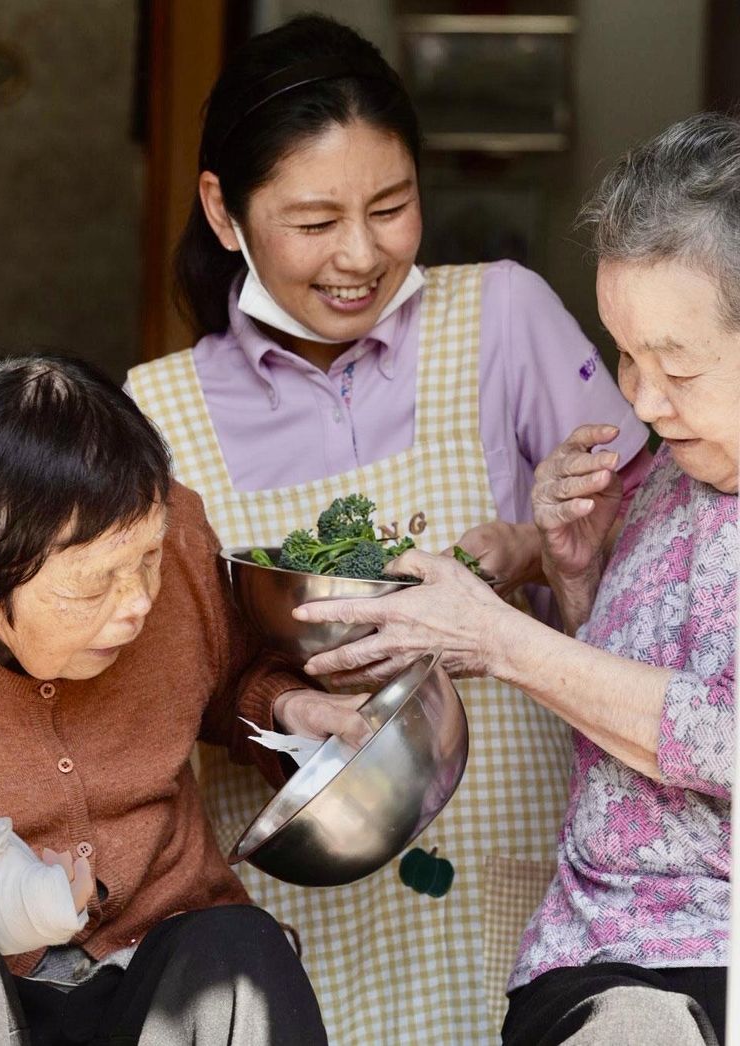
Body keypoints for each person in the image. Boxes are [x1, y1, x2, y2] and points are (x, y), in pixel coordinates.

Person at [125, 14, 653, 1043]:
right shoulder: (156, 414)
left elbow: (665, 567)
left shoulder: (502, 318)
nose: (361, 255)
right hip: (293, 912)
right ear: (222, 212)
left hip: (523, 878)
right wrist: (275, 700)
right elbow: (153, 687)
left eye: (392, 205)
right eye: (314, 221)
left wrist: (534, 546)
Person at [293, 112, 739, 1045]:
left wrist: (501, 639)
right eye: (626, 353)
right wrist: (575, 572)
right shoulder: (670, 476)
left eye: (678, 368)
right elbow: (620, 730)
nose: (643, 402)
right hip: (596, 952)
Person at [0, 354, 371, 1046]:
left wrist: (289, 709)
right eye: (92, 585)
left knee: (240, 952)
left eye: (148, 559)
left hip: (170, 957)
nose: (139, 602)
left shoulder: (180, 539)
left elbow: (235, 674)